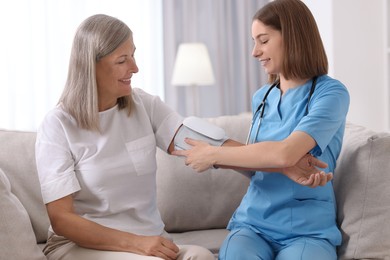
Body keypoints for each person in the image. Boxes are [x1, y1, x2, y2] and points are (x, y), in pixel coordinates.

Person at [172, 0, 350, 259]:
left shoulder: (331, 93)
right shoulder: (262, 97)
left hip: (307, 230)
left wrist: (214, 155)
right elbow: (255, 161)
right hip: (253, 225)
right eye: (253, 41)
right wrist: (215, 151)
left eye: (263, 40)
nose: (255, 52)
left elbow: (285, 153)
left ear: (292, 38)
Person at [35, 14, 215, 260]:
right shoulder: (58, 125)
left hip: (149, 241)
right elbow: (62, 219)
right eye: (122, 60)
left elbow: (206, 145)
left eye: (133, 55)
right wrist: (139, 244)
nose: (135, 68)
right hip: (81, 245)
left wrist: (269, 157)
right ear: (91, 66)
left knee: (201, 256)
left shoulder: (145, 105)